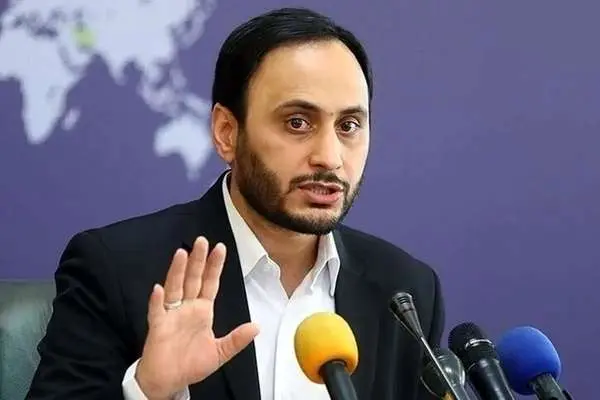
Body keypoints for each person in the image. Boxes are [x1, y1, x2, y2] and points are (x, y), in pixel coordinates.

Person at [26, 7, 444, 400]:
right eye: (297, 122)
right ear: (227, 132)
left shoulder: (404, 291)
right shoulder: (118, 270)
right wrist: (148, 390)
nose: (330, 157)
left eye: (349, 125)